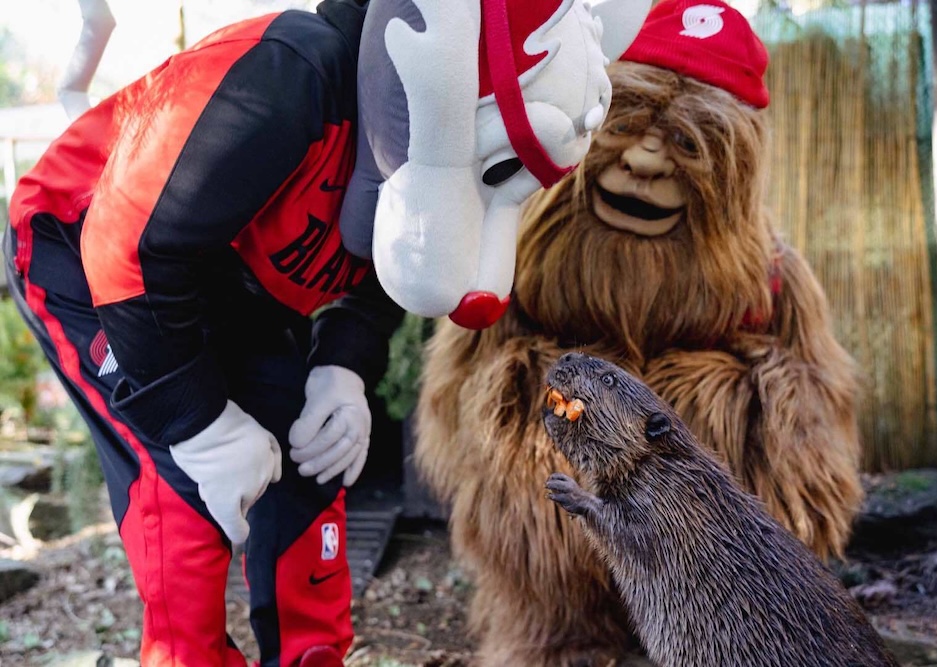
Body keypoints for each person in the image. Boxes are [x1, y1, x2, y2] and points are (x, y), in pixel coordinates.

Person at [3, 0, 650, 664]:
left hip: (231, 281)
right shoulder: (291, 76)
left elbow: (398, 259)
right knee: (182, 475)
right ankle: (185, 653)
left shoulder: (426, 165)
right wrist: (196, 419)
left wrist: (342, 366)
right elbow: (126, 243)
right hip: (85, 249)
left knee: (312, 455)